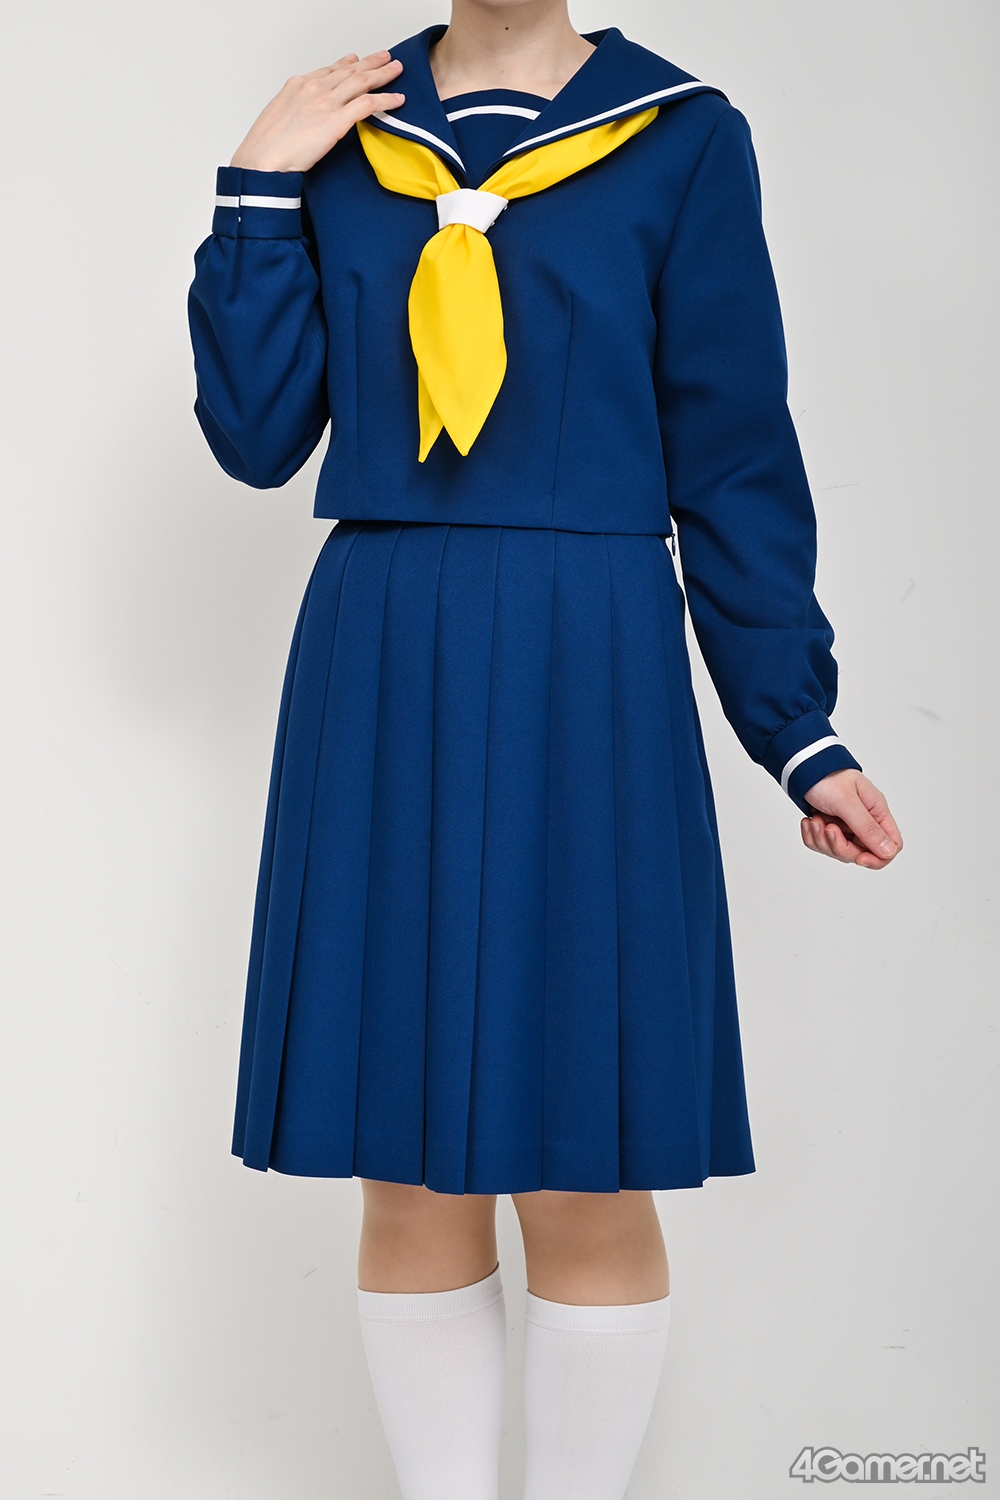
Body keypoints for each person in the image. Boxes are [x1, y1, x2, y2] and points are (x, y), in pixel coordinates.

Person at [188, 2, 902, 1496]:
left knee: (587, 1158)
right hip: (385, 649)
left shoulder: (684, 136)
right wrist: (256, 186)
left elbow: (732, 450)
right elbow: (257, 438)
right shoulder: (346, 133)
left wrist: (796, 729)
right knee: (404, 1163)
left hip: (594, 658)